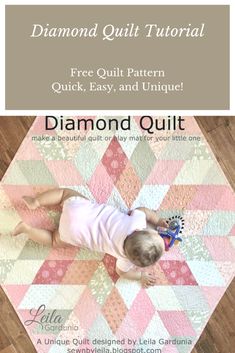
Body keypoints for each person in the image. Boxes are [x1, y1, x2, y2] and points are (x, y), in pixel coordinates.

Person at [13, 188, 167, 288]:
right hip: (73, 233)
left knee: (65, 194)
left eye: (156, 233)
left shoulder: (137, 222)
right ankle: (26, 229)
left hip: (79, 210)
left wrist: (158, 220)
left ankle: (36, 201)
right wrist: (140, 275)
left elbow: (142, 210)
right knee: (54, 239)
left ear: (144, 230)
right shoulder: (124, 258)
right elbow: (122, 273)